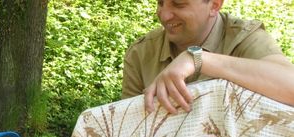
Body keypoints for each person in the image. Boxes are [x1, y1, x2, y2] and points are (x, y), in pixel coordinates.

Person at [121, 0, 294, 113]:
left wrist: (198, 59)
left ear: (214, 5)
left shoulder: (244, 37)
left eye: (179, 4)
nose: (164, 16)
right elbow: (128, 125)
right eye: (160, 3)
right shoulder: (140, 53)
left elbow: (290, 86)